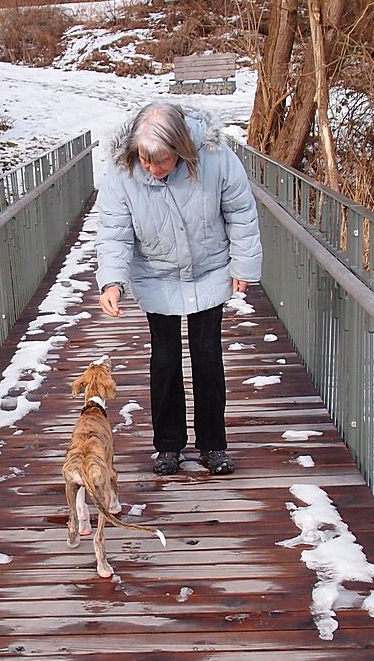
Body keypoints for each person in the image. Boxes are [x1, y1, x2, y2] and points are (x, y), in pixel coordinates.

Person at [95, 102, 262, 476]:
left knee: (208, 355)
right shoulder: (123, 171)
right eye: (146, 160)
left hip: (209, 268)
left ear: (182, 149)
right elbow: (113, 232)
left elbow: (240, 212)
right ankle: (168, 446)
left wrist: (242, 265)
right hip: (156, 273)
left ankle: (213, 444)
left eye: (163, 161)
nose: (153, 169)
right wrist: (112, 282)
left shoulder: (216, 158)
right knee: (165, 358)